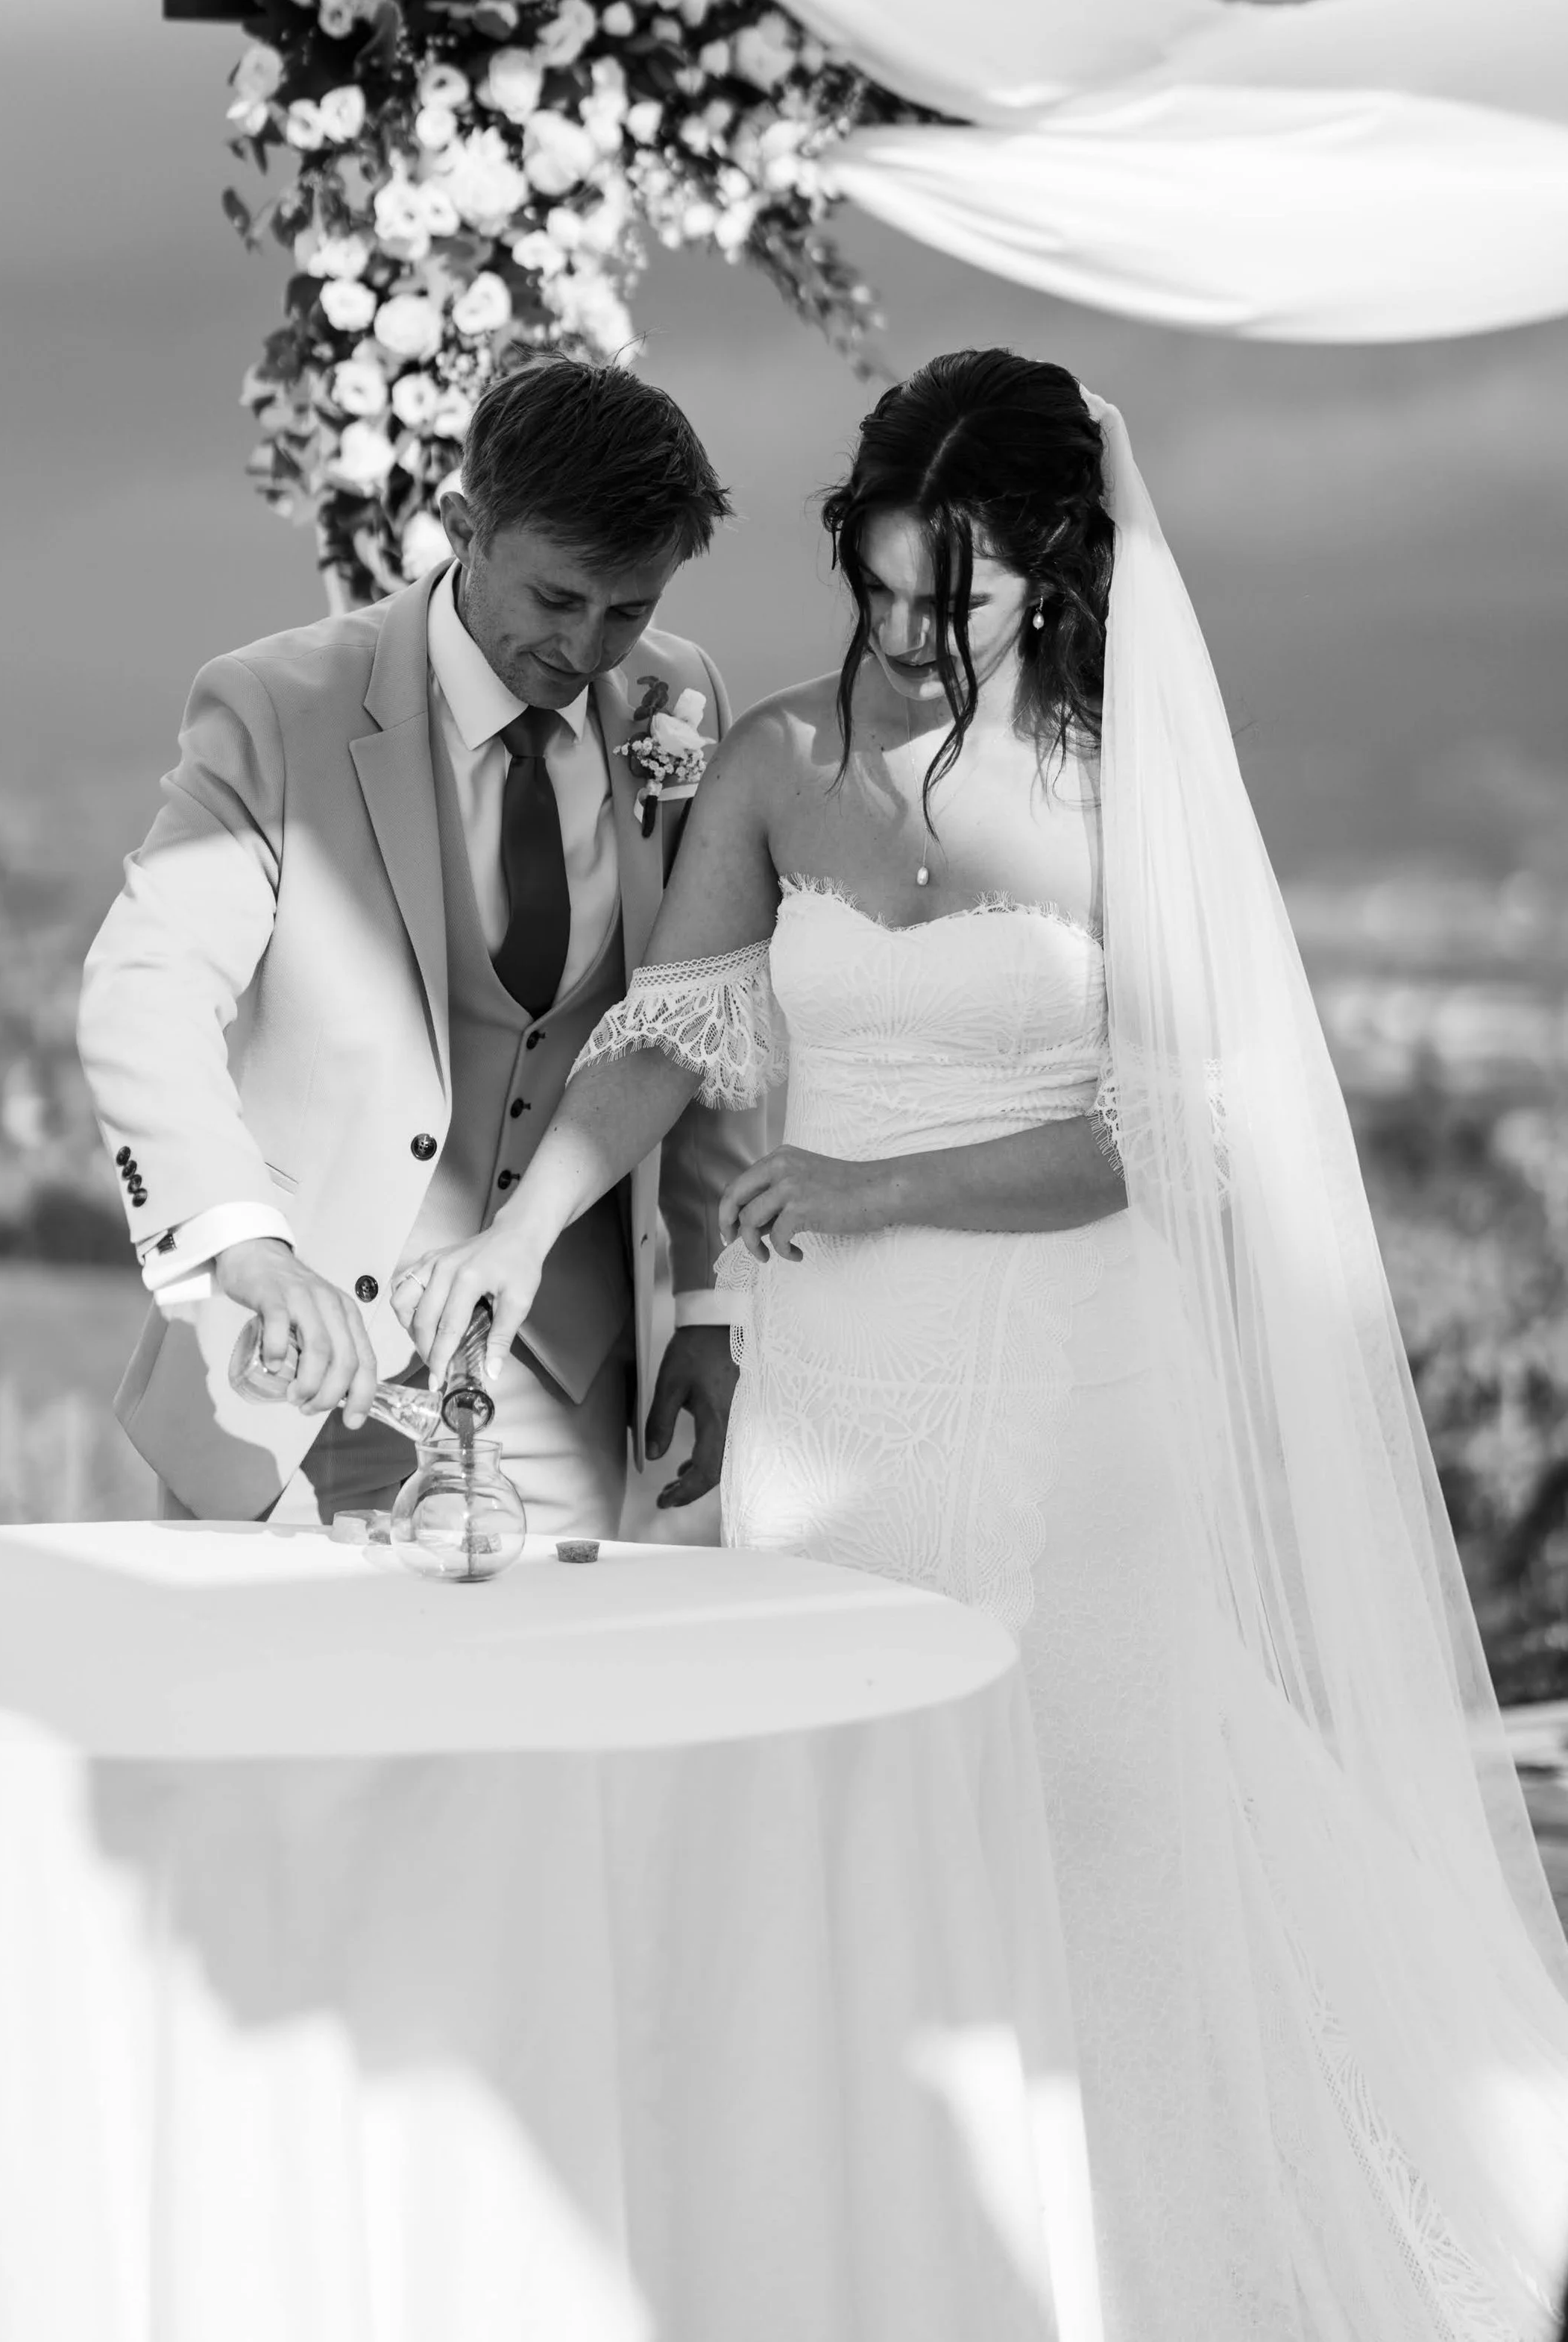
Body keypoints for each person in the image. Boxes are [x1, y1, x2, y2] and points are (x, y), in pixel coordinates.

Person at [398, 349, 1568, 2339]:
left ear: (1057, 573)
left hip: (1065, 1381)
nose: (912, 635)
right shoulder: (775, 759)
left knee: (1095, 1819)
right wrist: (517, 1224)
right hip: (833, 1405)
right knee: (836, 1812)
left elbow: (1160, 1132)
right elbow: (668, 1038)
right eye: (883, 584)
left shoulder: (1123, 790)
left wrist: (867, 1194)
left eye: (962, 597)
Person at [77, 355, 762, 1534]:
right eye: (558, 600)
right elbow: (145, 990)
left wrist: (707, 1303)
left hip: (566, 1379)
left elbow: (699, 1017)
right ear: (464, 528)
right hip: (299, 1370)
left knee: (542, 1710)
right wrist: (250, 1252)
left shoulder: (680, 696)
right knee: (273, 1709)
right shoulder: (280, 708)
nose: (593, 650)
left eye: (631, 609)